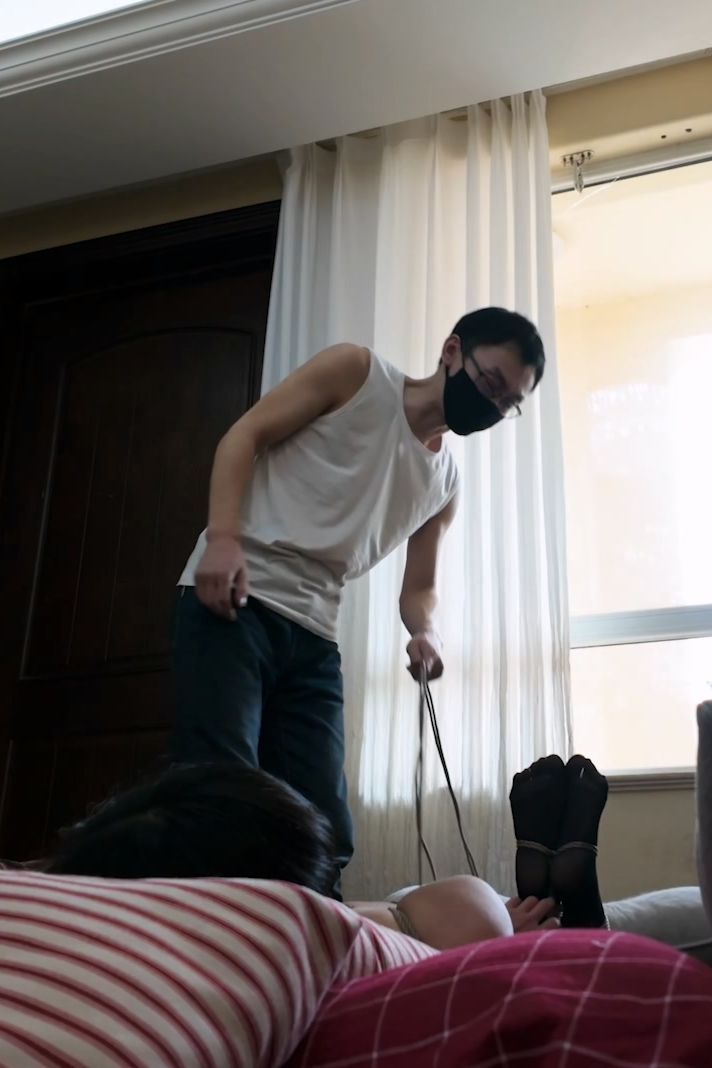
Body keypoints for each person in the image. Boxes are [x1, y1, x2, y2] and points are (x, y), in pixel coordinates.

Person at [169, 308, 546, 893]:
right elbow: (244, 436)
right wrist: (222, 540)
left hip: (315, 634)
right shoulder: (356, 374)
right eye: (490, 383)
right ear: (452, 351)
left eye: (507, 403)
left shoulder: (444, 482)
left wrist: (426, 632)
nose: (491, 405)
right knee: (221, 792)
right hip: (236, 596)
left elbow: (419, 587)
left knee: (324, 829)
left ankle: (320, 940)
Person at [46, 762, 558, 949]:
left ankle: (560, 895)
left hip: (406, 911)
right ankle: (570, 898)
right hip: (423, 922)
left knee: (497, 908)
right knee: (522, 914)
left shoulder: (109, 877)